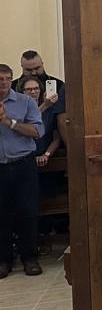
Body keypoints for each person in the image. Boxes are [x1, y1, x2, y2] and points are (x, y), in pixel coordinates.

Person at [0, 64, 44, 277]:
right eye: (0, 79)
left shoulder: (25, 102)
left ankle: (30, 258)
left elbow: (37, 131)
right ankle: (3, 259)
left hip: (22, 164)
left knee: (27, 211)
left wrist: (9, 122)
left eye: (8, 78)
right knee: (1, 214)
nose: (4, 83)